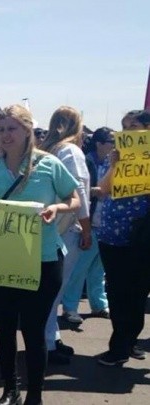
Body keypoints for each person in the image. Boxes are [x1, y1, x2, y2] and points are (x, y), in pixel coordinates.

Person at [0, 105, 80, 405]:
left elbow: (75, 196)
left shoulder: (49, 164)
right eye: (1, 129)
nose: (5, 135)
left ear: (28, 131)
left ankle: (35, 395)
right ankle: (10, 390)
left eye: (12, 128)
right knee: (4, 327)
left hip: (44, 259)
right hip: (2, 261)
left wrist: (59, 208)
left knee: (33, 329)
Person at [95, 109, 150, 366]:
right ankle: (122, 343)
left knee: (137, 293)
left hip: (142, 237)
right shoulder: (112, 157)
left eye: (135, 126)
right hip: (112, 237)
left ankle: (127, 341)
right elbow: (103, 190)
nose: (128, 131)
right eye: (124, 127)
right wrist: (115, 165)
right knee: (117, 292)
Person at [38, 106, 92, 365]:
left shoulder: (49, 150)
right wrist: (87, 229)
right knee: (55, 290)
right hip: (66, 228)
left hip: (50, 227)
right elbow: (79, 194)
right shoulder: (72, 151)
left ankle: (52, 337)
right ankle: (47, 342)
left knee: (49, 289)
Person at [60, 128, 113, 322]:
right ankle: (70, 307)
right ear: (98, 143)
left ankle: (99, 304)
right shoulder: (86, 160)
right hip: (89, 223)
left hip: (105, 223)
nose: (114, 145)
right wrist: (96, 191)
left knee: (98, 270)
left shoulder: (111, 163)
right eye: (110, 141)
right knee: (78, 270)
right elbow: (76, 190)